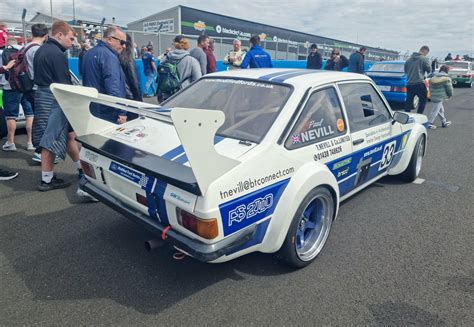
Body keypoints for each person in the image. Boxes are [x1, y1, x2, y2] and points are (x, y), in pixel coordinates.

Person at [32, 20, 96, 199]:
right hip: (55, 98)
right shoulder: (58, 54)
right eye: (71, 38)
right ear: (59, 35)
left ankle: (81, 169)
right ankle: (46, 180)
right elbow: (64, 83)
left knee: (68, 135)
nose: (73, 42)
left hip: (43, 96)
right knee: (50, 139)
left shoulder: (41, 50)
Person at [82, 25, 128, 124]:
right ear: (110, 39)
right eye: (122, 42)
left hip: (91, 108)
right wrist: (122, 111)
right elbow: (113, 87)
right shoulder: (109, 56)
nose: (124, 46)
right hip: (107, 112)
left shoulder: (88, 53)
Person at [1, 37, 35, 152]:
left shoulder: (3, 53)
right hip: (26, 87)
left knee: (11, 116)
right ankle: (30, 142)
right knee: (29, 114)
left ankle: (10, 142)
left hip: (10, 88)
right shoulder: (26, 51)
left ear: (7, 44)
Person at [157, 35, 201, 102]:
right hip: (183, 97)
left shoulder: (164, 58)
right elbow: (197, 81)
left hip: (165, 97)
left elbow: (160, 76)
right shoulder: (192, 61)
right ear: (186, 45)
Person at [404, 45, 431, 114]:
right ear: (425, 51)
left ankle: (406, 116)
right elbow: (429, 70)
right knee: (423, 100)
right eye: (426, 53)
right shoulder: (424, 58)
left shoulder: (408, 60)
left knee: (408, 101)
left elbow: (406, 71)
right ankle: (419, 115)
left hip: (409, 83)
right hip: (419, 83)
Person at [427, 65, 452, 129]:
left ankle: (444, 122)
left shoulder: (433, 78)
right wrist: (450, 95)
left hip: (433, 96)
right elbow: (449, 89)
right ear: (447, 71)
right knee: (435, 110)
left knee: (440, 109)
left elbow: (429, 87)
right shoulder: (446, 79)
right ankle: (429, 123)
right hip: (440, 96)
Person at [120, 33, 142, 102]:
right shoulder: (128, 59)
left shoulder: (116, 57)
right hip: (130, 97)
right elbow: (134, 81)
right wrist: (139, 101)